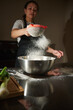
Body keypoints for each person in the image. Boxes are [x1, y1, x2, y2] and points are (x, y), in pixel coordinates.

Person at [11, 0, 63, 75]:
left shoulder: (37, 28)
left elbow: (42, 45)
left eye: (35, 10)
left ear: (36, 13)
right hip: (23, 63)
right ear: (25, 10)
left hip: (35, 63)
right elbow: (13, 34)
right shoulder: (20, 22)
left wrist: (53, 51)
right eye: (30, 8)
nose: (32, 11)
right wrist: (25, 30)